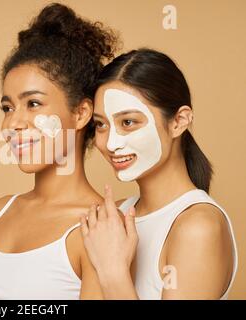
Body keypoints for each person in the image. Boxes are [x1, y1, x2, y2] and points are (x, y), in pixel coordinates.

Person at [0, 3, 117, 299]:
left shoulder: (99, 229)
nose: (13, 123)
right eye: (8, 107)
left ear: (82, 113)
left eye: (33, 103)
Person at [80, 48, 238, 299]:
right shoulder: (112, 221)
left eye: (128, 122)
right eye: (101, 124)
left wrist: (113, 272)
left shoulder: (198, 227)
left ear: (179, 121)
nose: (110, 143)